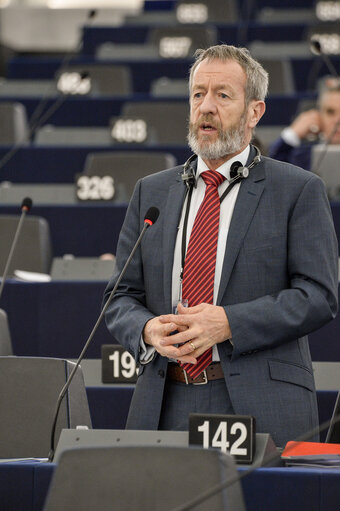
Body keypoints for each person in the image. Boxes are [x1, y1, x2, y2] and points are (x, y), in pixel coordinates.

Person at [103, 44, 338, 448]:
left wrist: (228, 323)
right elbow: (120, 296)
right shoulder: (151, 191)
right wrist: (145, 329)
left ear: (254, 112)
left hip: (260, 402)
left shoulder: (297, 190)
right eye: (198, 94)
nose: (206, 107)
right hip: (165, 400)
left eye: (223, 95)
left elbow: (319, 296)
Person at [269, 79, 340, 170]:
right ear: (318, 115)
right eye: (330, 112)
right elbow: (270, 172)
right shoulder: (302, 156)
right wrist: (292, 134)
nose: (337, 120)